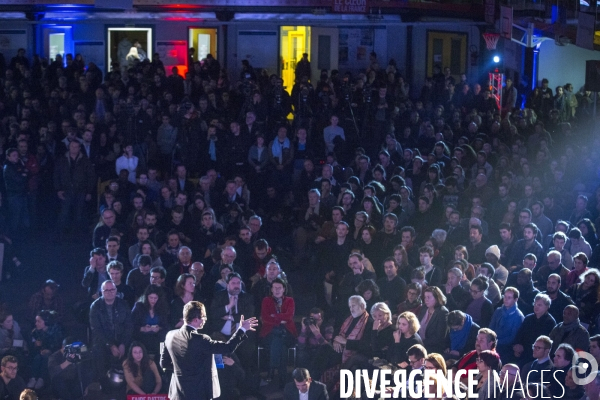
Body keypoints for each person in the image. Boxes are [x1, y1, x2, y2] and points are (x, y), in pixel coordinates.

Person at [160, 301, 258, 400]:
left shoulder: (170, 335)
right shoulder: (201, 339)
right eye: (204, 317)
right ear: (195, 320)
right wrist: (242, 330)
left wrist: (183, 371)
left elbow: (163, 363)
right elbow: (227, 348)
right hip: (199, 393)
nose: (205, 320)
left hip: (178, 393)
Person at [89, 280, 133, 380]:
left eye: (112, 289)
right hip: (103, 340)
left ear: (116, 290)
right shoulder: (95, 306)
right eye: (106, 290)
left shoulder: (123, 304)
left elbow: (129, 325)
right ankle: (103, 382)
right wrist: (110, 345)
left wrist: (123, 344)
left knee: (134, 348)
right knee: (97, 351)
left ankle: (129, 382)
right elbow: (96, 329)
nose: (109, 292)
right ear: (102, 291)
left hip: (121, 338)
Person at [259, 278, 297, 387]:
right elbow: (265, 318)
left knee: (279, 339)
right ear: (271, 289)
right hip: (269, 333)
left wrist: (274, 316)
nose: (277, 290)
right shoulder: (266, 300)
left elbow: (289, 317)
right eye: (274, 288)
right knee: (280, 343)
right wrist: (281, 319)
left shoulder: (290, 300)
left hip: (288, 332)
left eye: (279, 288)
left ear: (284, 289)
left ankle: (271, 372)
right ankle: (282, 378)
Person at [27, 310, 62, 390]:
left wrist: (50, 351)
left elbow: (59, 346)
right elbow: (31, 348)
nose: (36, 324)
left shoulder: (56, 330)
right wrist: (35, 345)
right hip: (40, 353)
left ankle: (41, 379)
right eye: (36, 321)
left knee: (46, 358)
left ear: (46, 322)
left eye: (39, 321)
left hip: (54, 353)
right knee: (38, 358)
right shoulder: (35, 332)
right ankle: (33, 378)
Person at [132, 285, 169, 355]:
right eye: (151, 298)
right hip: (142, 338)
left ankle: (161, 362)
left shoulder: (163, 308)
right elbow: (131, 325)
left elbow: (166, 326)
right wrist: (142, 328)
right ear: (146, 297)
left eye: (155, 298)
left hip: (157, 338)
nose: (153, 300)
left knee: (163, 345)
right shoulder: (139, 307)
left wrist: (159, 328)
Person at [416, 286, 449, 354]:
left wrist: (420, 343)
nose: (426, 299)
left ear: (437, 298)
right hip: (419, 344)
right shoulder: (424, 308)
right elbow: (417, 325)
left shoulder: (442, 312)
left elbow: (439, 337)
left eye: (429, 297)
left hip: (433, 348)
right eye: (425, 297)